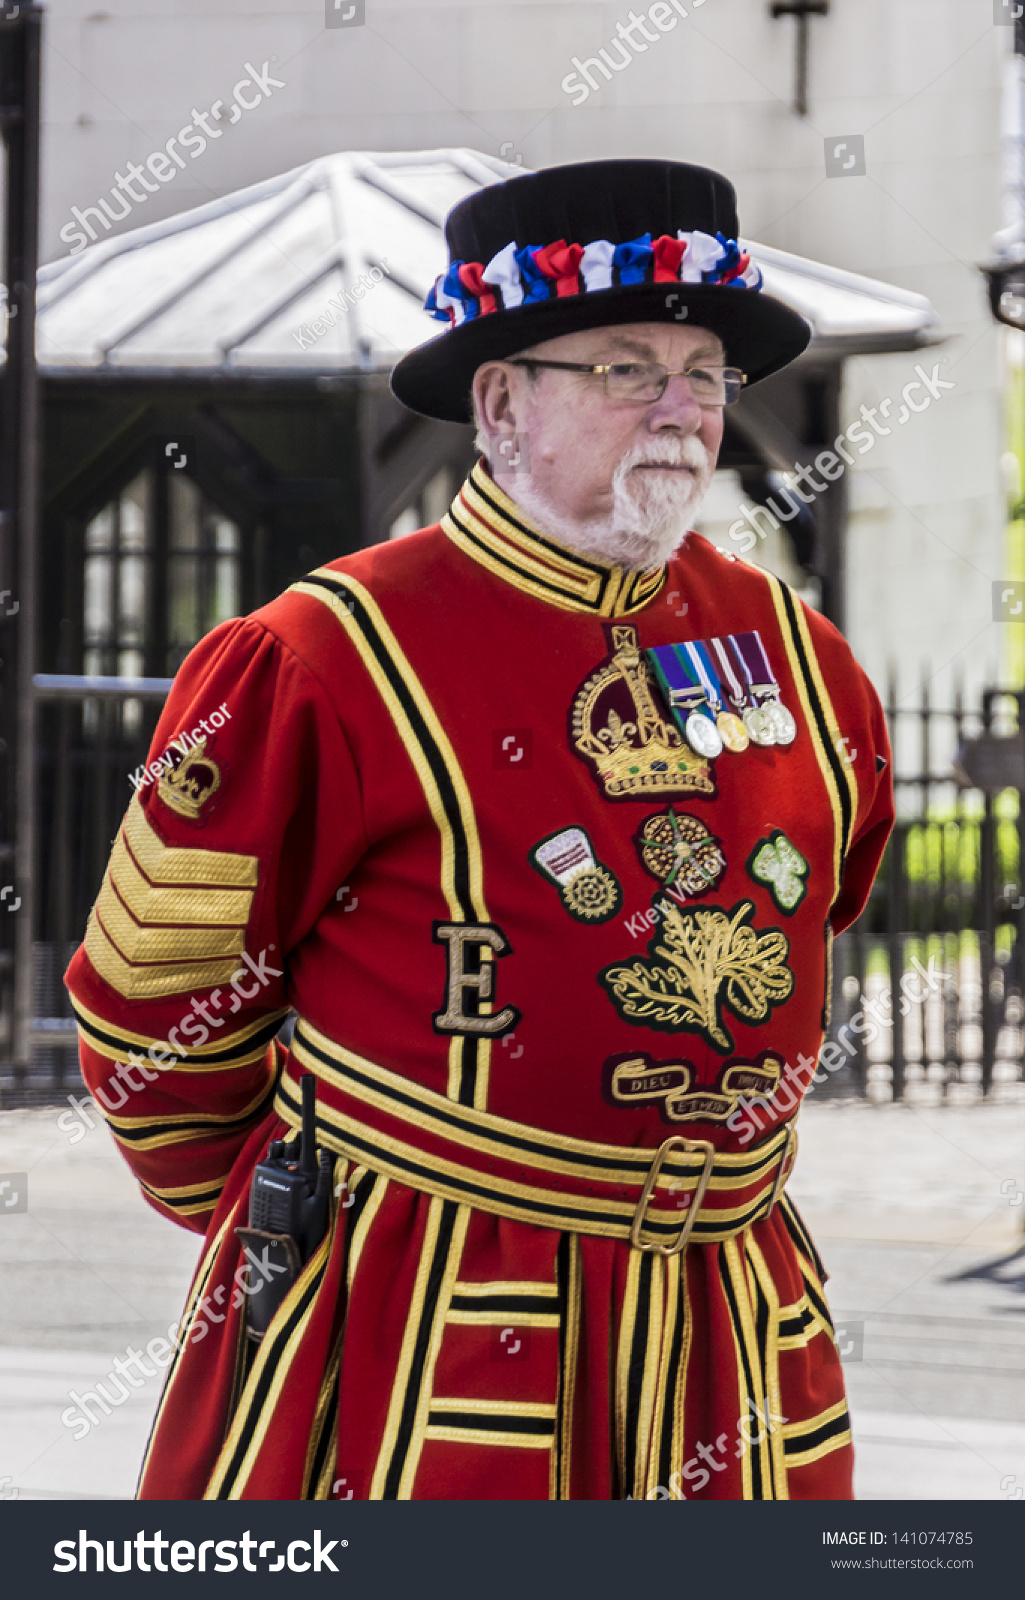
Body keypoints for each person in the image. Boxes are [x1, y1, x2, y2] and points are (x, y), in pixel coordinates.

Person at [64, 158, 893, 1501]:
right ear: (501, 402)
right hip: (426, 1312)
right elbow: (151, 1009)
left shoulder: (799, 656)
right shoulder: (323, 651)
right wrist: (302, 1197)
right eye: (628, 367)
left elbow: (816, 905)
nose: (681, 410)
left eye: (703, 372)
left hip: (725, 1321)